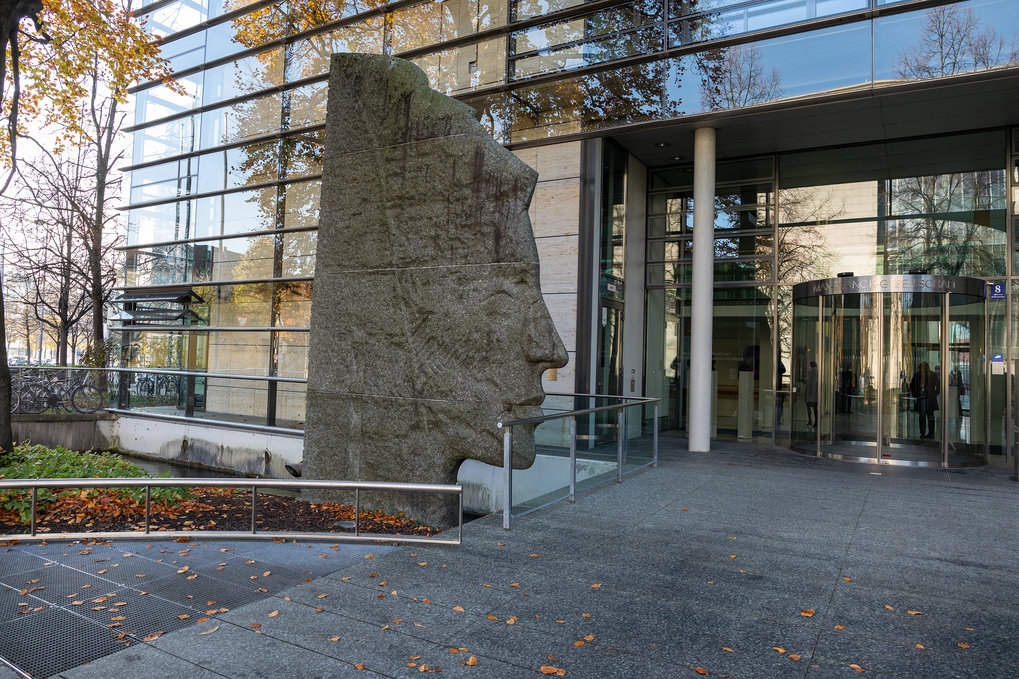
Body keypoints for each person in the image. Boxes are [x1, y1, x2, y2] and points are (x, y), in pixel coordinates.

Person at [910, 362, 940, 439]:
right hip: (930, 399)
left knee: (922, 417)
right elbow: (938, 387)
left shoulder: (917, 375)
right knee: (930, 416)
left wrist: (916, 395)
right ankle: (931, 433)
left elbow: (912, 386)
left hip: (922, 398)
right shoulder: (933, 375)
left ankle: (923, 433)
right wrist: (934, 394)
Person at [805, 360, 818, 428]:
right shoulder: (818, 372)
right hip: (816, 394)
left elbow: (808, 382)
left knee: (808, 407)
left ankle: (810, 420)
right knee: (815, 409)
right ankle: (816, 421)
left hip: (810, 393)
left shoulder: (809, 372)